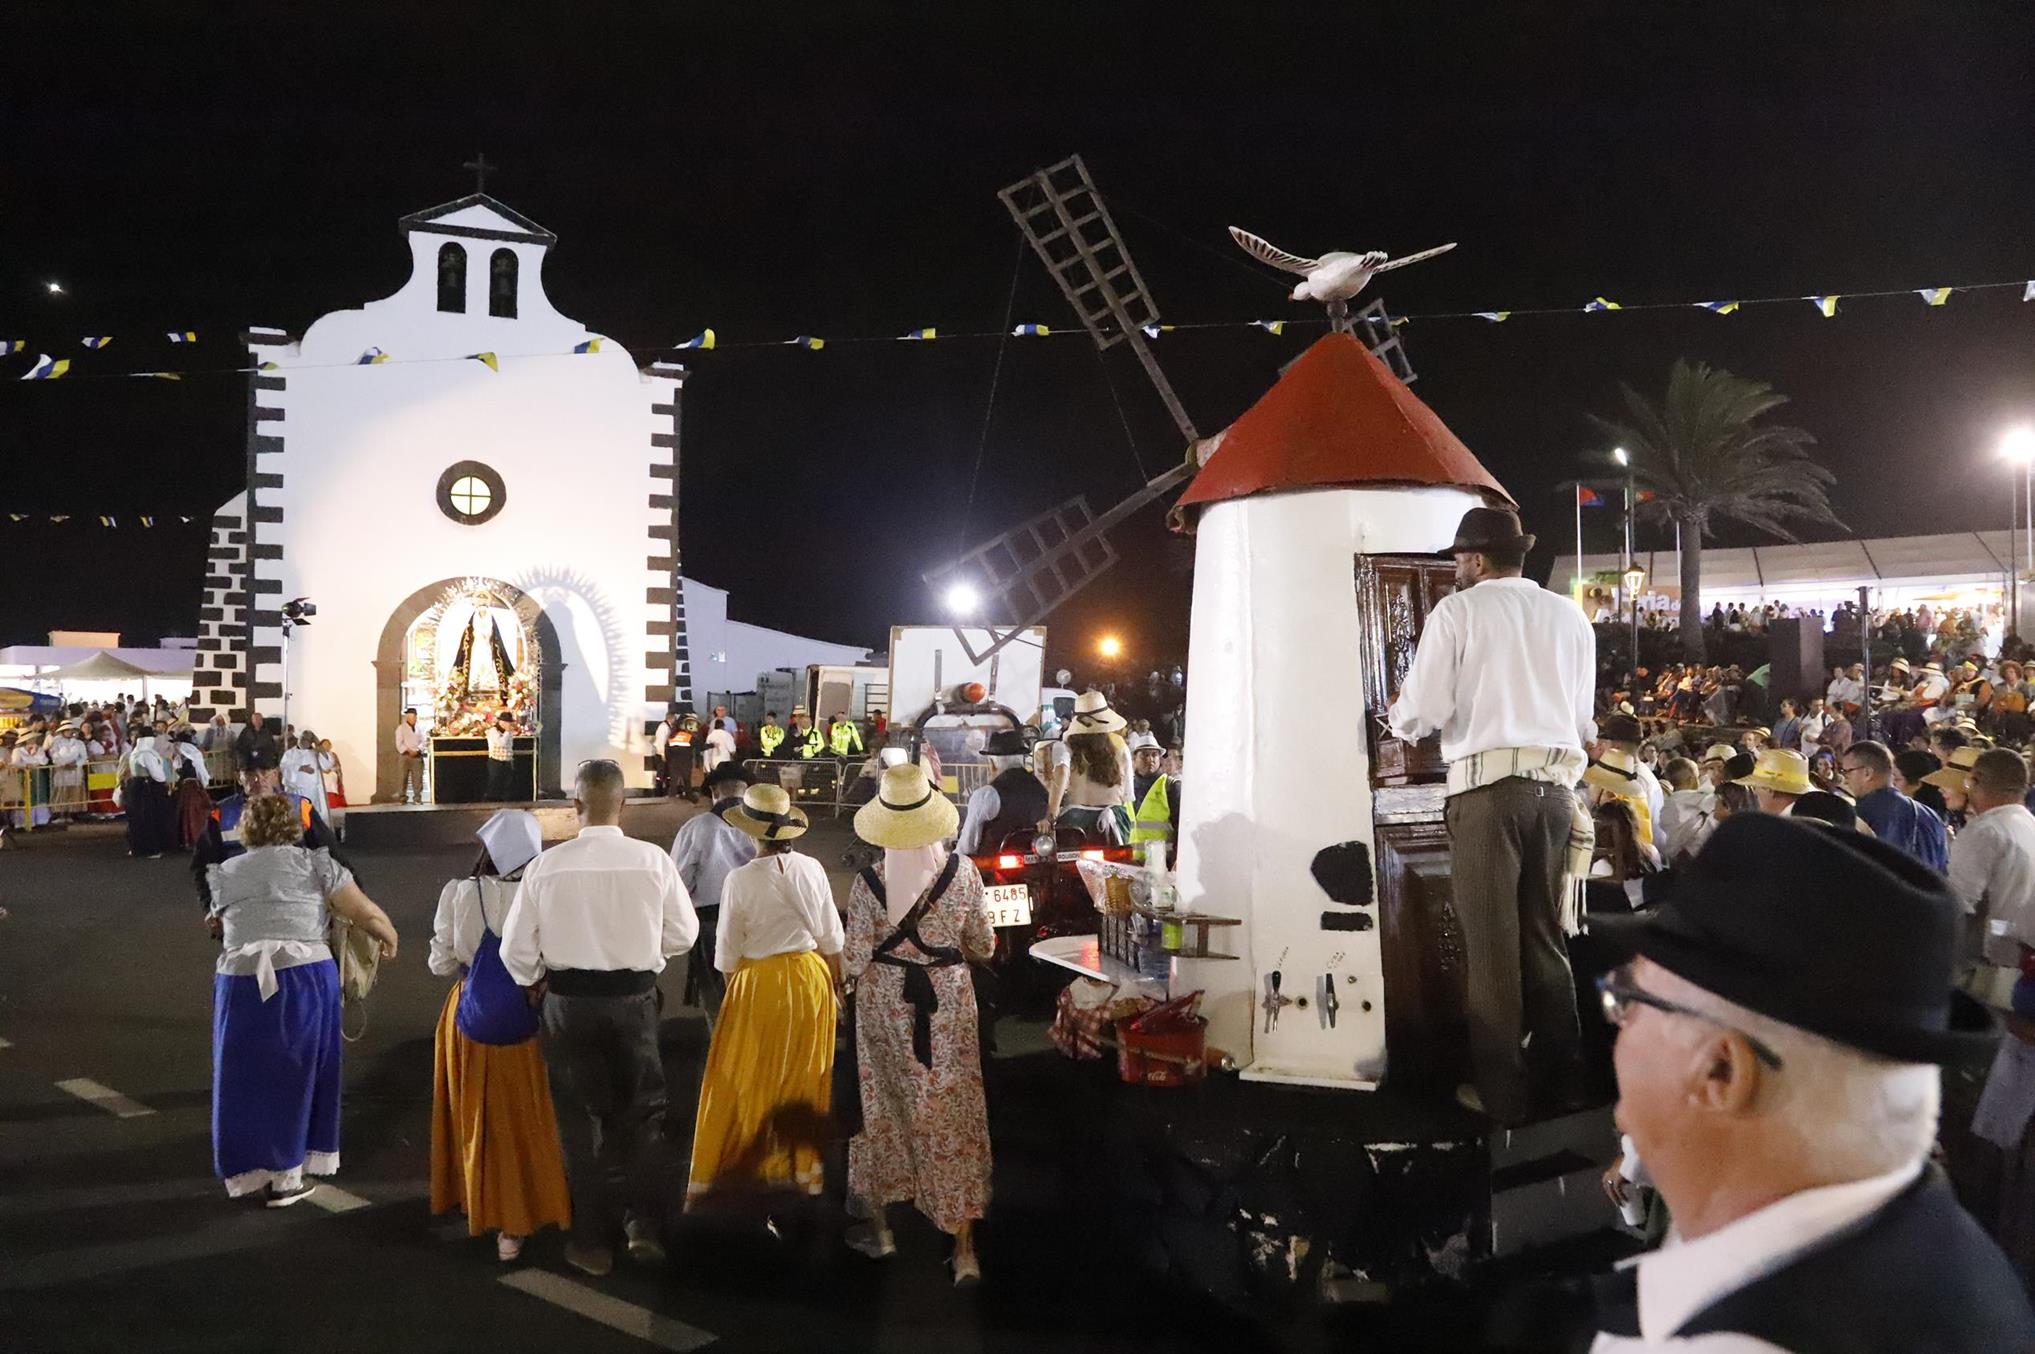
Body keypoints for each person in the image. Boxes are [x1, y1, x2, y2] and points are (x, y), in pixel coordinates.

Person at [1586, 814, 2030, 1352]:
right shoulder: (1943, 1261)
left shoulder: (1729, 1343)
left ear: (1721, 1071)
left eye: (1629, 1002)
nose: (1620, 1025)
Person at [1387, 506, 1597, 1124]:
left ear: (1476, 560)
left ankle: (1504, 1098)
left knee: (1493, 950)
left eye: (1457, 559)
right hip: (1555, 795)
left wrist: (1395, 720)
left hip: (1488, 794)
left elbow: (1421, 709)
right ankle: (1568, 1085)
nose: (1455, 570)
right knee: (1544, 939)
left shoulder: (1458, 611)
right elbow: (1581, 719)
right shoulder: (1571, 616)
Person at [500, 759, 698, 1277]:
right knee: (643, 1115)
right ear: (623, 804)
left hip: (568, 1001)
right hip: (633, 999)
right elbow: (684, 934)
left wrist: (535, 978)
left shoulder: (547, 866)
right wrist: (645, 951)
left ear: (575, 806)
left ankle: (590, 1239)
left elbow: (516, 951)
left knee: (578, 1120)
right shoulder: (652, 861)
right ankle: (642, 1226)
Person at [206, 794, 398, 1205]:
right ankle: (288, 1177)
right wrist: (388, 935)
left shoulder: (225, 871)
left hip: (238, 982)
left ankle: (247, 1172)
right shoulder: (317, 865)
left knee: (244, 1078)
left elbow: (218, 923)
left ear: (247, 829)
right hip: (303, 976)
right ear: (294, 827)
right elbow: (365, 913)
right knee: (302, 1071)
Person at [844, 763, 994, 1284]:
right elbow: (984, 945)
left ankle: (881, 1227)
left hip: (884, 1004)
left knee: (883, 1104)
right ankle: (965, 1248)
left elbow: (855, 957)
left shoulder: (868, 883)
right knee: (954, 1109)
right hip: (949, 1001)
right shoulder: (965, 874)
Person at [687, 783, 844, 1209]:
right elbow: (832, 939)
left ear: (750, 833)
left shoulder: (739, 880)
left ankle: (757, 1166)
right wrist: (837, 986)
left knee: (749, 1076)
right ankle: (802, 1171)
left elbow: (726, 956)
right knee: (804, 1076)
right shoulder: (812, 869)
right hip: (811, 979)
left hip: (759, 983)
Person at [428, 809, 571, 1263]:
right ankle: (528, 1211)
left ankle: (481, 1201)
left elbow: (440, 962)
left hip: (472, 1016)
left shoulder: (461, 893)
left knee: (477, 1117)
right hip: (533, 1018)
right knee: (530, 1120)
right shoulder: (547, 893)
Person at [668, 763, 758, 1027]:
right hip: (758, 923)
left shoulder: (697, 828)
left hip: (712, 924)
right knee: (752, 997)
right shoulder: (762, 826)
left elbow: (677, 883)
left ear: (714, 791)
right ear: (746, 791)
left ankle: (722, 1058)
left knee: (717, 1001)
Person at [1946, 749, 2035, 1005]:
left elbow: (1957, 905)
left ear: (1973, 781)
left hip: (1987, 974)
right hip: (2020, 967)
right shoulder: (2028, 824)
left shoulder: (1984, 831)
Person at [193, 766, 347, 911]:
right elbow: (204, 866)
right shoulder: (221, 814)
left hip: (297, 904)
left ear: (275, 774)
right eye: (250, 773)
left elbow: (333, 856)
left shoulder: (301, 808)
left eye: (265, 772)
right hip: (245, 908)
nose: (259, 780)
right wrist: (210, 907)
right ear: (238, 777)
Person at [1842, 741, 1950, 872]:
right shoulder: (1931, 815)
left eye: (1847, 771)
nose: (1845, 779)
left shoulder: (1859, 816)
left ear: (1867, 773)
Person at [1042, 691, 1133, 844]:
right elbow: (1127, 795)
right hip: (1112, 822)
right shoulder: (1121, 747)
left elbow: (1062, 772)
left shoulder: (1065, 746)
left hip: (1076, 823)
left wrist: (1050, 816)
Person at [955, 729, 1047, 857]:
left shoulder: (987, 795)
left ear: (993, 763)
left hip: (993, 871)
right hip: (1037, 866)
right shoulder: (1041, 789)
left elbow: (967, 846)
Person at [1597, 714, 1664, 825]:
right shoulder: (1633, 773)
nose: (1601, 747)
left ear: (1616, 746)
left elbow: (1627, 833)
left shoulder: (1634, 780)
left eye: (1605, 742)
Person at [1655, 757, 1716, 866]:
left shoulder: (1666, 802)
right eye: (1698, 777)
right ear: (1692, 779)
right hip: (1687, 859)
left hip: (1667, 857)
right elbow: (1716, 798)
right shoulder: (1696, 798)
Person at [123, 731, 173, 858]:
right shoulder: (147, 754)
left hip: (135, 787)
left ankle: (136, 847)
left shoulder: (135, 753)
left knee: (136, 820)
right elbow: (158, 775)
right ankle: (150, 849)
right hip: (146, 788)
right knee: (148, 818)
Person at [1733, 747, 1812, 816]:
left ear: (1769, 788)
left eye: (1755, 787)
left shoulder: (1786, 827)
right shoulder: (1810, 815)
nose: (1755, 793)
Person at [280, 730, 331, 823]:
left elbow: (327, 765)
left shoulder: (315, 753)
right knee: (295, 818)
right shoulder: (289, 753)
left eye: (307, 739)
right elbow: (283, 768)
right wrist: (300, 768)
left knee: (310, 818)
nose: (303, 741)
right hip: (294, 791)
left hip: (311, 792)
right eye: (302, 738)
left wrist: (318, 744)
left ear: (311, 741)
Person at [48, 721, 87, 818]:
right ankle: (60, 814)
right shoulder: (56, 742)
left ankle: (72, 813)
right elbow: (54, 755)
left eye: (71, 730)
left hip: (75, 772)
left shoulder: (79, 743)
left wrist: (76, 764)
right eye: (67, 730)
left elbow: (83, 757)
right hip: (61, 771)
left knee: (74, 792)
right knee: (61, 792)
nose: (70, 732)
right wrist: (63, 764)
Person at [395, 707, 427, 804]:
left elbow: (424, 741)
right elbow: (399, 743)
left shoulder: (420, 728)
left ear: (415, 717)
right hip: (405, 756)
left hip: (417, 756)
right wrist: (408, 750)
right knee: (402, 777)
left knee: (417, 778)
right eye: (409, 716)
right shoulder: (401, 728)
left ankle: (417, 798)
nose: (411, 718)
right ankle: (402, 798)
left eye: (413, 716)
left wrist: (418, 750)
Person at [234, 711, 280, 776]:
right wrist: (242, 767)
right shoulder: (246, 732)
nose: (258, 721)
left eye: (260, 719)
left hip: (265, 763)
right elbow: (240, 748)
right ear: (252, 720)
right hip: (250, 763)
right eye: (256, 719)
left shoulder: (267, 732)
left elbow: (272, 747)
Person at [485, 710, 518, 802]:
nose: (510, 725)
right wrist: (508, 732)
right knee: (494, 784)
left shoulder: (509, 732)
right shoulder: (493, 731)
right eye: (508, 722)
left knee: (507, 785)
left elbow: (509, 746)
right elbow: (501, 743)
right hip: (496, 761)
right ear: (502, 722)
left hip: (507, 761)